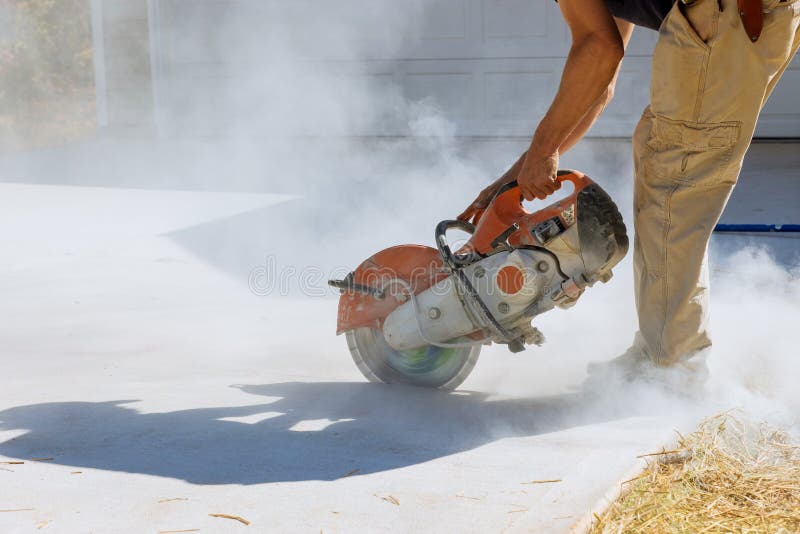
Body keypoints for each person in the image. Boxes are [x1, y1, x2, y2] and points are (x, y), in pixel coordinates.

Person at [458, 0, 800, 389]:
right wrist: (523, 171)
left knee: (676, 187)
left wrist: (543, 150)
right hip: (735, 15)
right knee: (663, 161)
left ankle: (673, 370)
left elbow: (598, 47)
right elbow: (601, 74)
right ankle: (660, 351)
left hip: (725, 15)